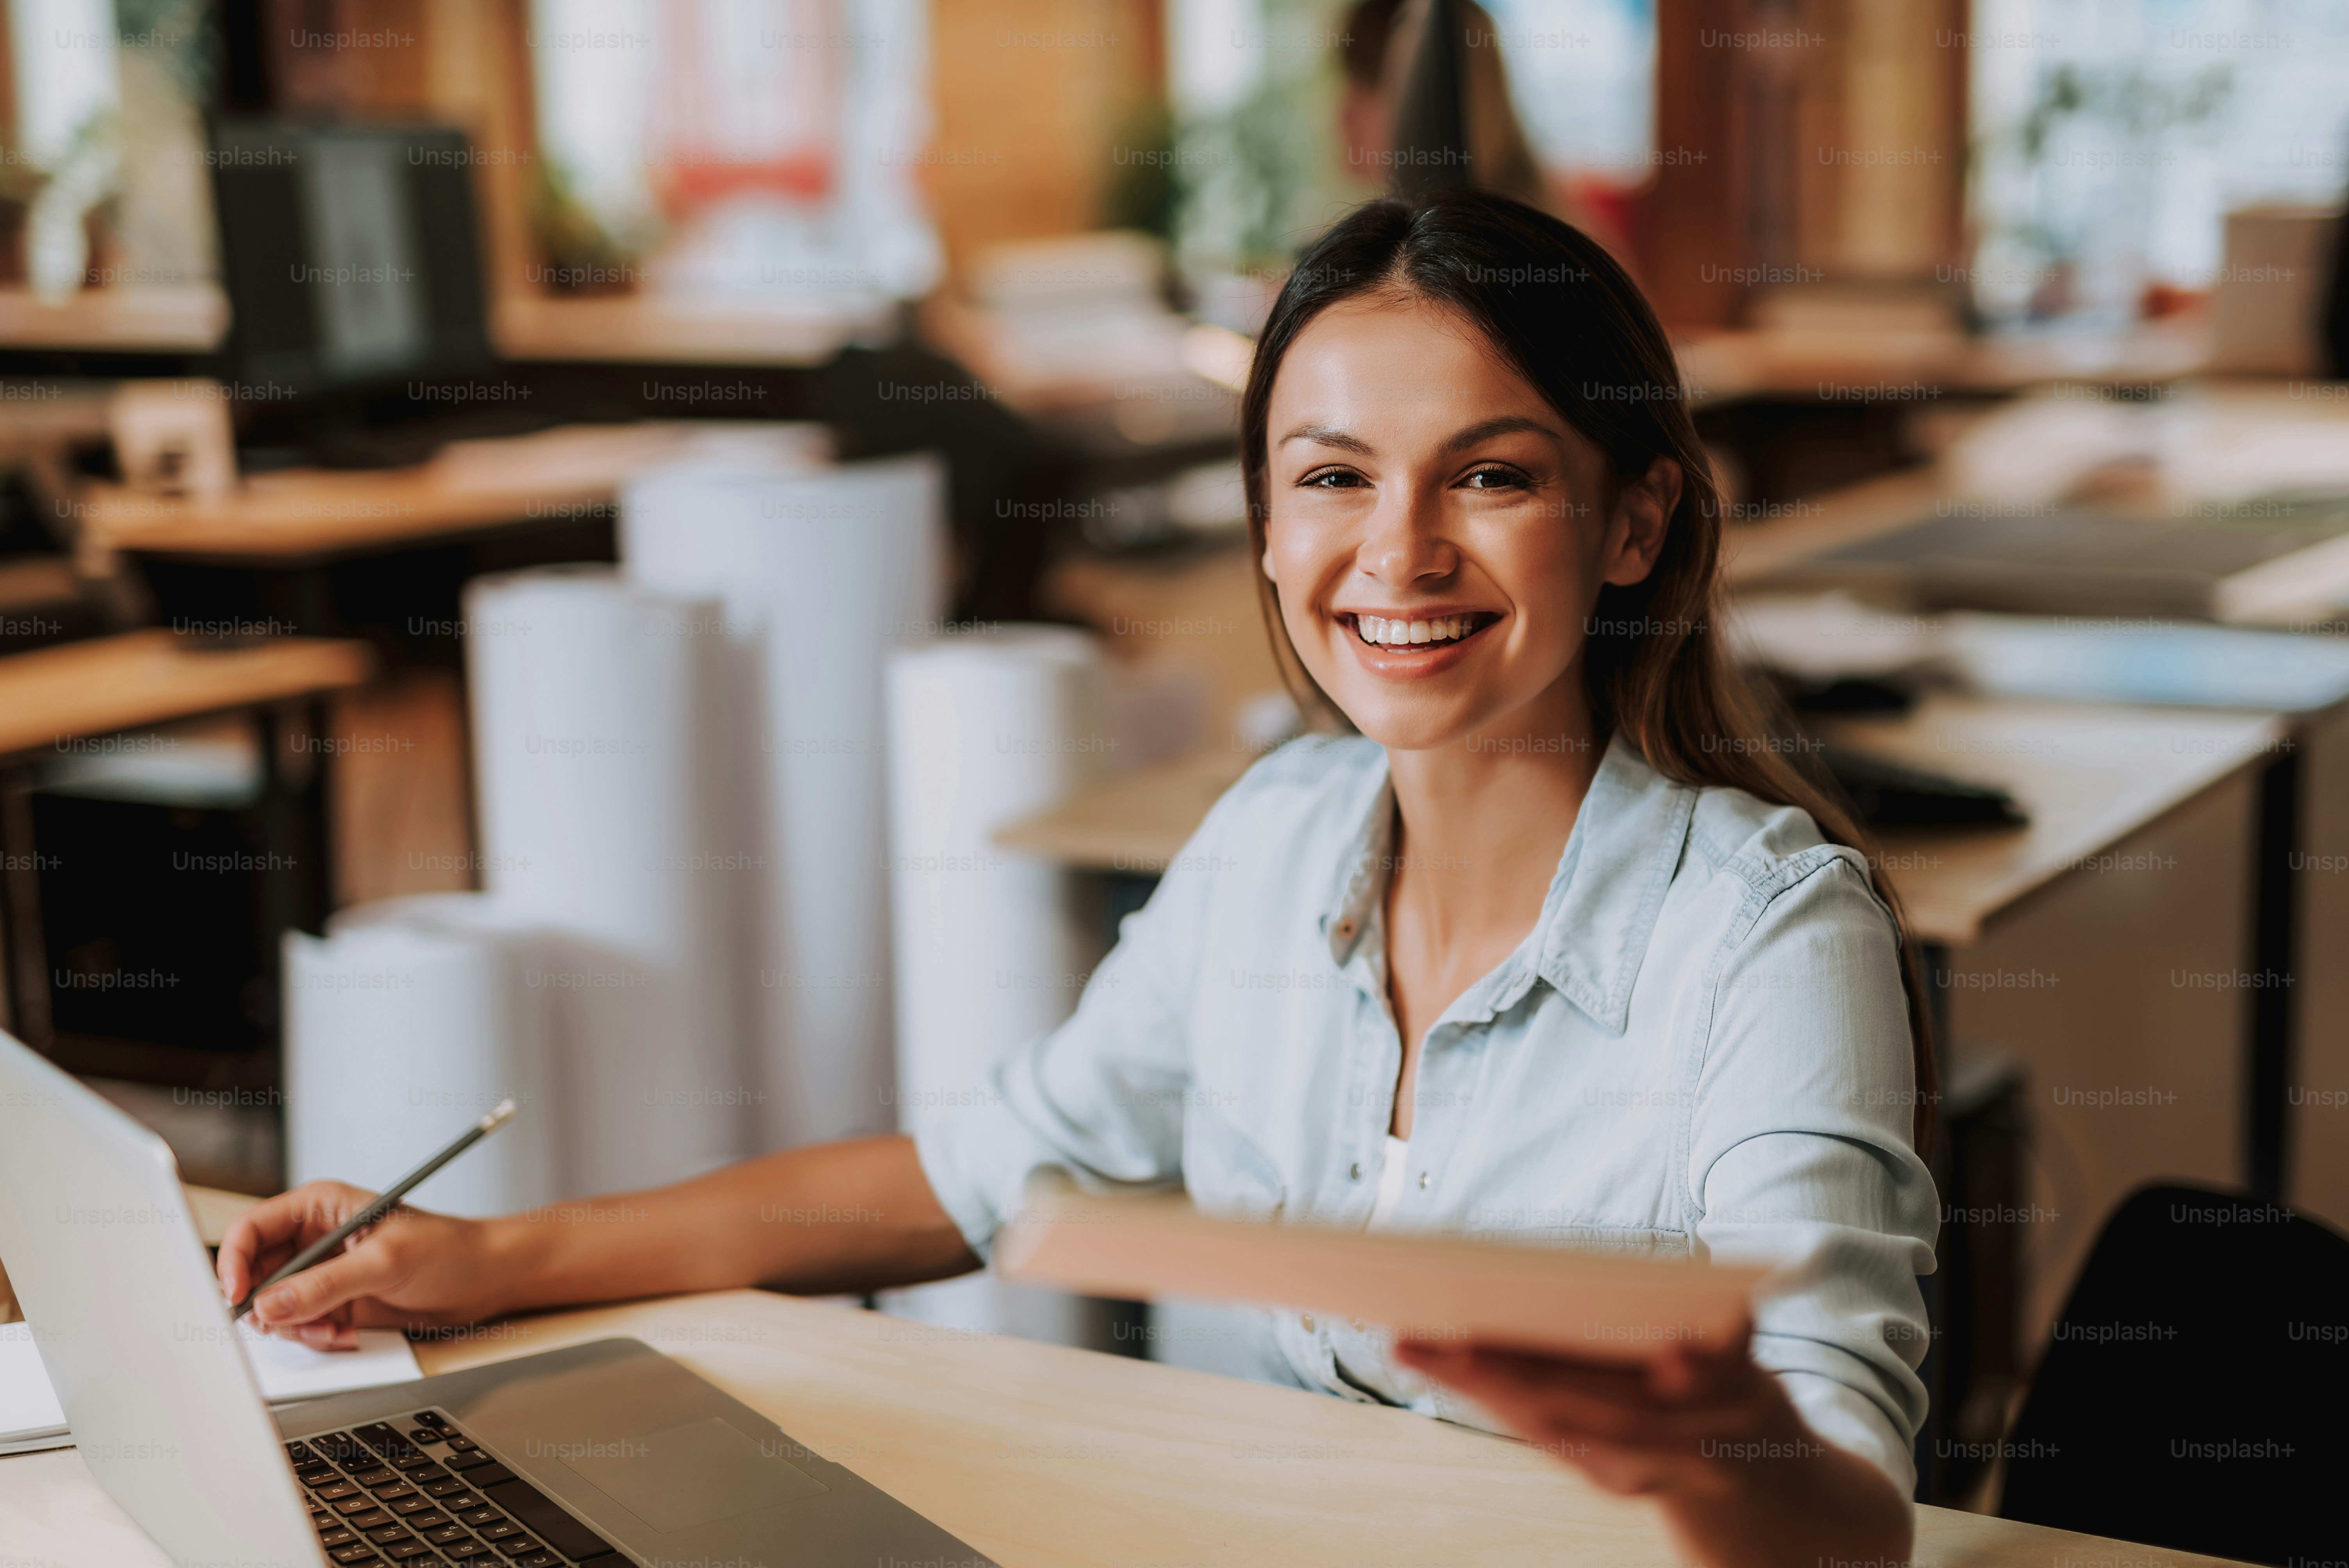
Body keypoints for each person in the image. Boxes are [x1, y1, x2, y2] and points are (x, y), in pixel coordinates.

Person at [221, 191, 1937, 1568]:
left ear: (1632, 524)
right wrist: (499, 1254)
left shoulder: (1767, 937)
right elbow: (976, 1171)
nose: (1398, 550)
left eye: (1489, 476)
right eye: (1332, 477)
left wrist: (1720, 1450)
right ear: (1266, 522)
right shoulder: (1273, 842)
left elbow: (1846, 1499)